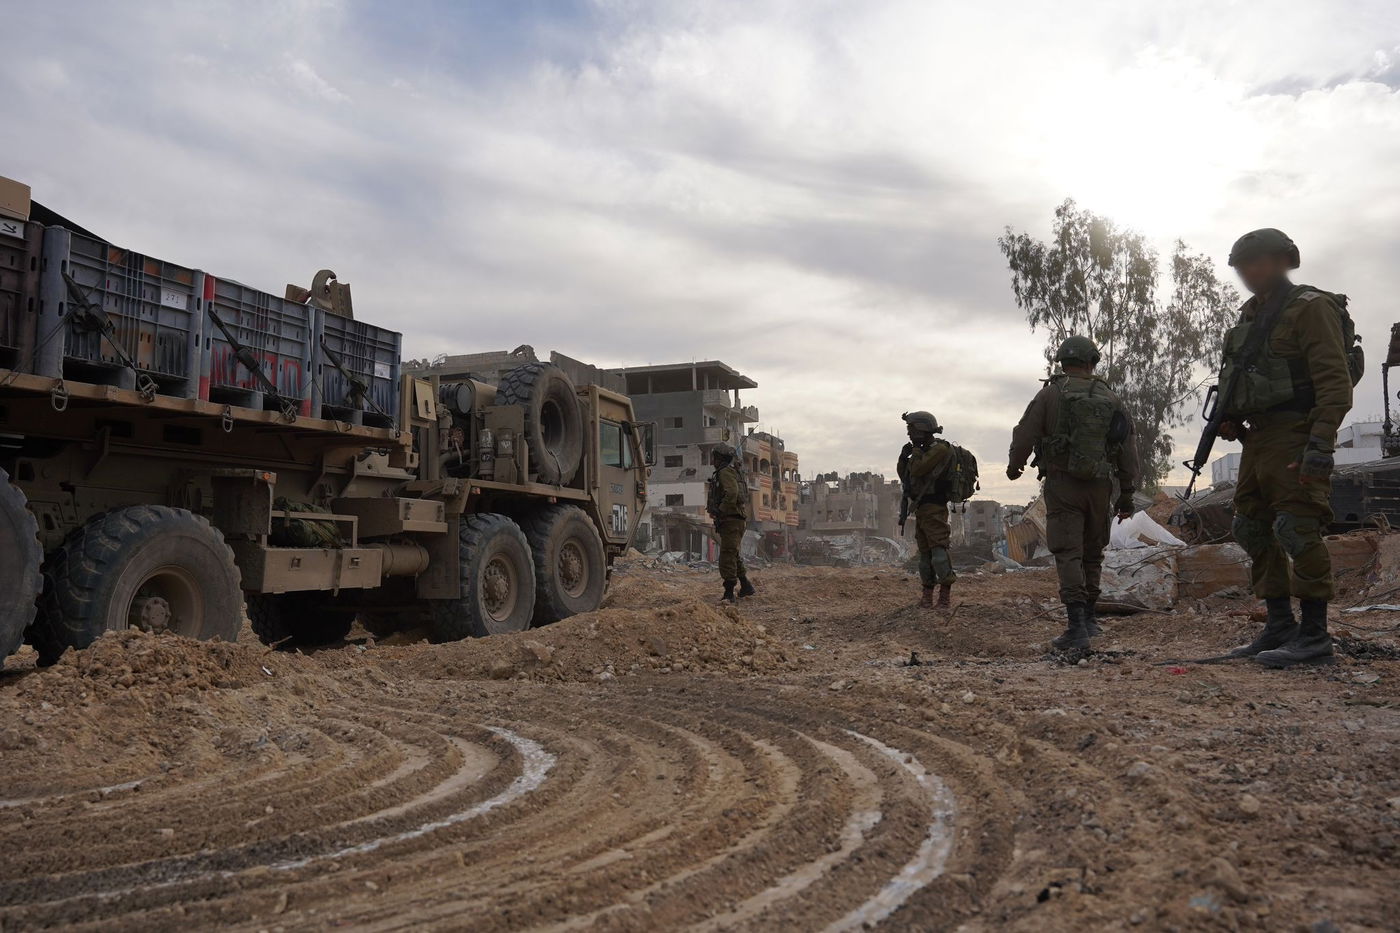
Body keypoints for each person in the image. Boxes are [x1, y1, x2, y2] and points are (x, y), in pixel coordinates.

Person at [1215, 228, 1354, 668]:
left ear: (1281, 261)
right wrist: (1232, 415)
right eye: (1242, 267)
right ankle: (1279, 625)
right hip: (1258, 437)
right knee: (1251, 528)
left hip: (1297, 431)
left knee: (1298, 527)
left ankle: (1314, 635)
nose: (1248, 274)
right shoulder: (1250, 316)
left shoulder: (1310, 309)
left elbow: (1335, 382)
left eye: (1257, 263)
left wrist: (1320, 444)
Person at [1007, 337, 1139, 650]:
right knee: (1093, 552)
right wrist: (1127, 496)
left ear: (1062, 362)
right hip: (1100, 486)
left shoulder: (1050, 395)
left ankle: (1076, 626)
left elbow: (1024, 433)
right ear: (1092, 361)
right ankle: (1091, 619)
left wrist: (1015, 465)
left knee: (1069, 553)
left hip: (1063, 485)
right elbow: (1128, 450)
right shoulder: (1112, 398)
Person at [897, 411, 956, 609]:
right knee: (924, 557)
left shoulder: (939, 449)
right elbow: (906, 476)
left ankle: (945, 597)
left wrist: (915, 453)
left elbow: (919, 469)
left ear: (922, 428)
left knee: (938, 553)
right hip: (921, 509)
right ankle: (927, 596)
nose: (909, 433)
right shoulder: (920, 450)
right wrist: (903, 457)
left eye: (911, 429)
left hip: (935, 507)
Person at [706, 443, 754, 604]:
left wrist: (721, 509)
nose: (712, 460)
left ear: (719, 458)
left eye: (714, 457)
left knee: (727, 555)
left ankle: (729, 592)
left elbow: (732, 492)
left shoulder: (725, 472)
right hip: (734, 520)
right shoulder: (730, 471)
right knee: (733, 554)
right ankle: (746, 585)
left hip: (731, 520)